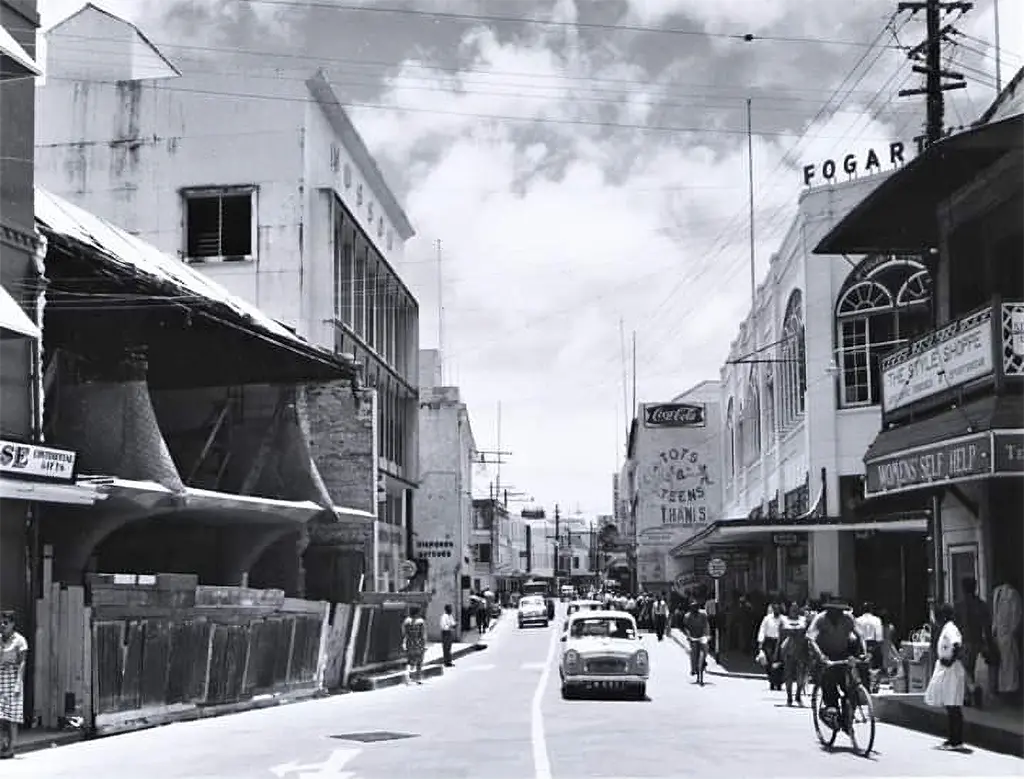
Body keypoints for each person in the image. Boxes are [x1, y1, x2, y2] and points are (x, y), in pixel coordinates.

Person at [806, 600, 867, 726]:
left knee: (851, 686)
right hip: (824, 655)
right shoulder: (820, 619)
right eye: (833, 611)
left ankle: (847, 717)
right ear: (828, 611)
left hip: (842, 653)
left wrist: (864, 652)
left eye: (840, 612)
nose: (837, 614)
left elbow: (860, 635)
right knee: (829, 682)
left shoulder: (847, 618)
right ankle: (830, 710)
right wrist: (821, 656)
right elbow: (811, 639)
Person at [924, 602, 967, 750]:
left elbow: (957, 645)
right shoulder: (946, 628)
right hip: (947, 668)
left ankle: (957, 741)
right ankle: (952, 739)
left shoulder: (950, 629)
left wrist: (950, 660)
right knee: (949, 704)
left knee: (953, 705)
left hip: (952, 669)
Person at [0, 609, 28, 759]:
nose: (3, 625)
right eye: (1, 622)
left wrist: (18, 682)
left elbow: (22, 662)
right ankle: (1, 745)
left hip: (13, 678)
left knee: (12, 716)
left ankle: (11, 748)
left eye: (6, 622)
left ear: (13, 624)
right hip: (0, 677)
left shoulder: (20, 640)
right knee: (0, 715)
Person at [779, 602, 809, 707]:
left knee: (801, 676)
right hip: (789, 652)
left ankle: (798, 695)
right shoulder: (784, 619)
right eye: (792, 608)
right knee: (788, 676)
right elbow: (783, 631)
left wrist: (793, 630)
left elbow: (804, 628)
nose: (794, 610)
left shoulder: (803, 619)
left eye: (796, 608)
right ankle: (789, 698)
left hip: (801, 652)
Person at [757, 603, 783, 691]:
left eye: (778, 610)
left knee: (779, 663)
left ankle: (779, 683)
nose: (776, 611)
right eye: (775, 609)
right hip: (769, 642)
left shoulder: (783, 619)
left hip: (779, 642)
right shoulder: (767, 619)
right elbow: (762, 630)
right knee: (769, 662)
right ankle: (772, 682)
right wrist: (760, 642)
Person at [682, 602, 711, 679]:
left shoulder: (703, 615)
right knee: (693, 652)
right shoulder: (687, 616)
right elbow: (686, 627)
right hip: (693, 636)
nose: (695, 610)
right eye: (693, 608)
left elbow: (706, 625)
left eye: (696, 608)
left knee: (705, 648)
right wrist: (688, 636)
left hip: (702, 635)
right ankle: (693, 668)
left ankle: (703, 660)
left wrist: (707, 635)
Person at [402, 606, 427, 684]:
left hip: (409, 642)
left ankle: (407, 675)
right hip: (418, 643)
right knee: (419, 661)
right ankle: (418, 678)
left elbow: (404, 633)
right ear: (417, 612)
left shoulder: (406, 621)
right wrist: (424, 645)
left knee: (410, 661)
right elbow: (423, 635)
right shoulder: (421, 621)